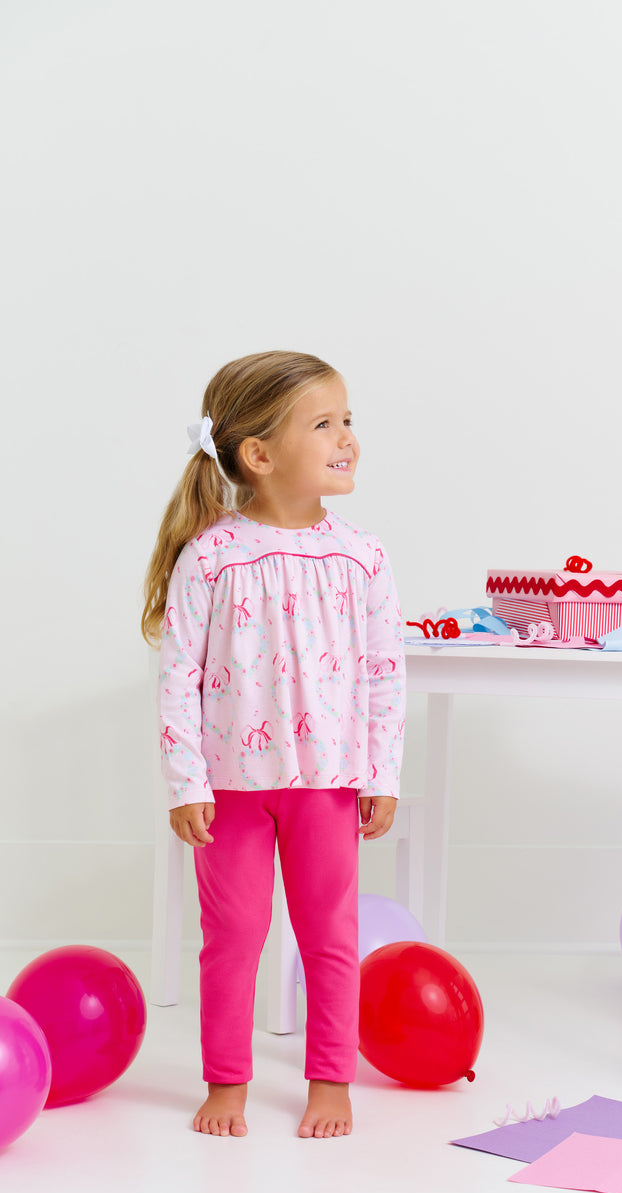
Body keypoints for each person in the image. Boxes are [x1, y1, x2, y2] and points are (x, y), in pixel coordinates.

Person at [141, 351, 405, 1139]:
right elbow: (178, 675)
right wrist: (187, 782)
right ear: (258, 454)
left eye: (348, 420)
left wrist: (381, 773)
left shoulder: (363, 556)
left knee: (330, 937)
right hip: (230, 787)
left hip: (329, 780)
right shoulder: (212, 557)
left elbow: (384, 673)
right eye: (324, 424)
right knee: (232, 940)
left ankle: (331, 1079)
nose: (347, 438)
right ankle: (226, 1082)